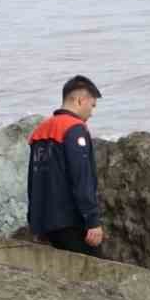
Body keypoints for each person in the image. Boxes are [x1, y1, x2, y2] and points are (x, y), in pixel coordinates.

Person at [27, 75, 104, 256]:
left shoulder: (40, 131)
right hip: (71, 221)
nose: (92, 113)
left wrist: (35, 222)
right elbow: (82, 178)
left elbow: (33, 180)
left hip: (46, 222)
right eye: (92, 106)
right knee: (95, 270)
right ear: (79, 100)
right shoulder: (74, 129)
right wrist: (92, 221)